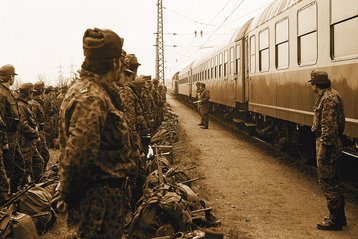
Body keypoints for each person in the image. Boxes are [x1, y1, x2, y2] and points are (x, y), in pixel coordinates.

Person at [58, 27, 135, 238]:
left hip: (98, 201)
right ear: (113, 62)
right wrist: (69, 195)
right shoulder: (92, 97)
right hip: (97, 205)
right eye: (120, 59)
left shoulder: (90, 91)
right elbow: (78, 158)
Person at [309, 70, 346, 230]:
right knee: (335, 181)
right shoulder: (332, 95)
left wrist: (323, 148)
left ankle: (335, 219)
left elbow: (329, 128)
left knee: (328, 182)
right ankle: (340, 217)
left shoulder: (328, 98)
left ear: (316, 84)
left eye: (312, 83)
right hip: (332, 143)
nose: (311, 87)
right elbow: (341, 124)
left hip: (327, 146)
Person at [0, 64, 24, 194]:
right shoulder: (1, 94)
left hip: (13, 137)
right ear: (10, 77)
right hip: (6, 138)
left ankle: (14, 194)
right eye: (13, 76)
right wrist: (4, 142)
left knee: (19, 167)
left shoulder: (8, 92)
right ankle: (6, 201)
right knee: (6, 172)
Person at [18, 83, 44, 183]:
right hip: (24, 142)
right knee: (25, 168)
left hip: (30, 141)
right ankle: (19, 192)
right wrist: (35, 133)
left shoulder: (26, 104)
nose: (33, 95)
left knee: (38, 162)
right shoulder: (20, 105)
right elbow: (23, 125)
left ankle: (36, 187)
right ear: (28, 93)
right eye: (32, 93)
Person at [29, 82, 50, 171]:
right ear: (41, 90)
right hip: (37, 132)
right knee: (39, 157)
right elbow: (31, 121)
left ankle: (40, 175)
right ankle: (36, 178)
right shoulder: (33, 103)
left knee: (45, 155)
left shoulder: (39, 102)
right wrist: (36, 132)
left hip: (41, 132)